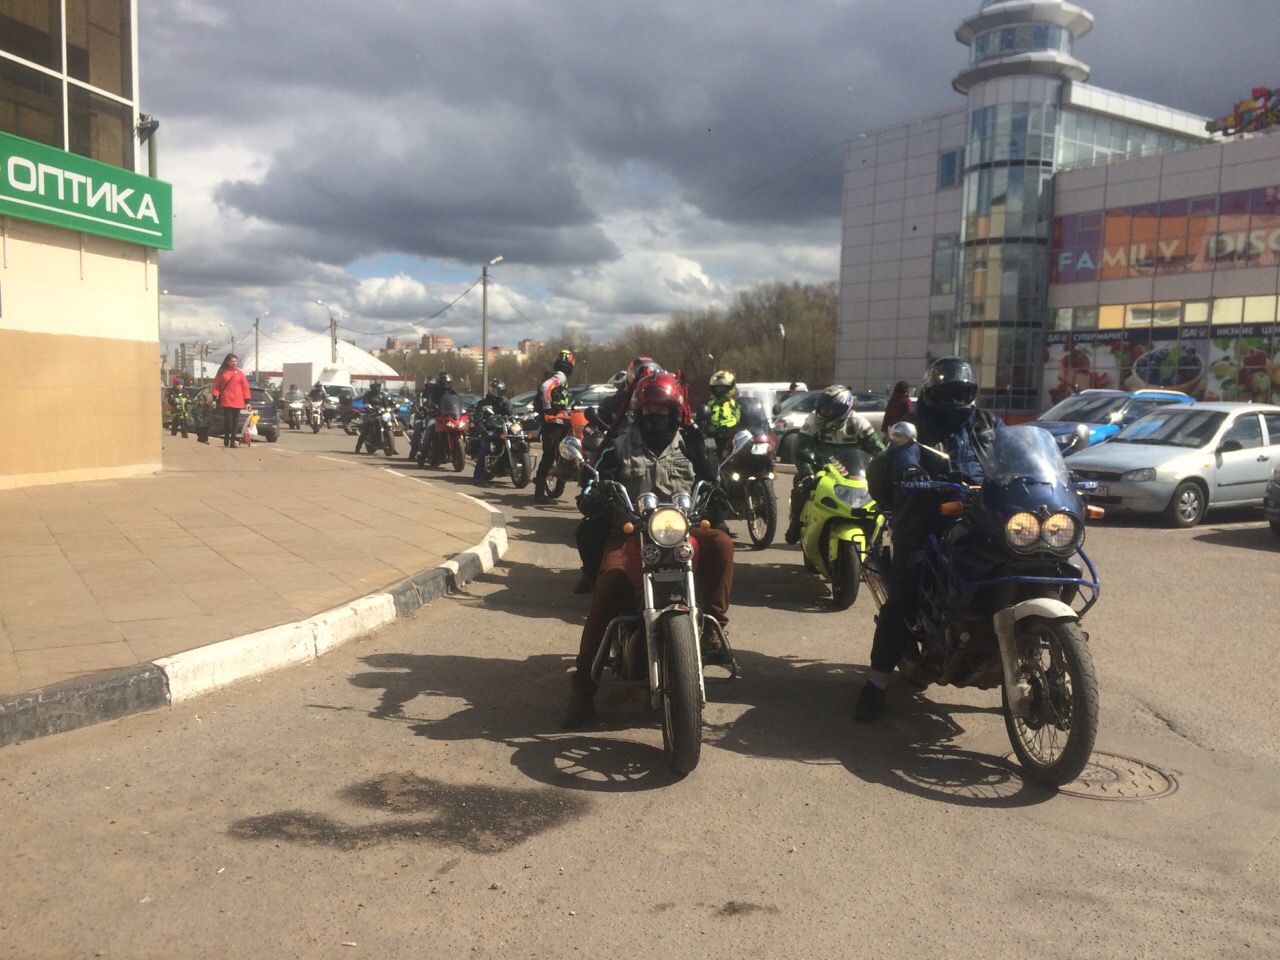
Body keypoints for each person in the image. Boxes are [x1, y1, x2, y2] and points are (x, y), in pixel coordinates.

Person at [561, 371, 733, 728]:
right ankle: (582, 692)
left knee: (721, 543)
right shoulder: (620, 445)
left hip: (683, 533)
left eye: (663, 409)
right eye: (649, 409)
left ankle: (714, 627)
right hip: (631, 536)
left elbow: (717, 487)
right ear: (639, 411)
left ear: (676, 413)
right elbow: (594, 477)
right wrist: (594, 492)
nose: (656, 415)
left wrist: (707, 463)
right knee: (608, 588)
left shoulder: (691, 443)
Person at [854, 357, 1005, 723]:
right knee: (908, 587)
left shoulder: (987, 423)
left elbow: (1014, 450)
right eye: (947, 393)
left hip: (984, 517)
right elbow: (902, 447)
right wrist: (908, 468)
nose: (955, 400)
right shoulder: (917, 424)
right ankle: (876, 682)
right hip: (929, 519)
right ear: (932, 394)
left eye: (962, 393)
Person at [784, 385, 886, 544]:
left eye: (828, 411)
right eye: (822, 409)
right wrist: (806, 472)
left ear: (843, 410)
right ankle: (796, 523)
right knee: (799, 484)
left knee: (880, 502)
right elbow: (800, 447)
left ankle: (877, 538)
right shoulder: (812, 421)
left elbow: (878, 450)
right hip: (821, 469)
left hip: (855, 471)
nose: (823, 414)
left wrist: (885, 469)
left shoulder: (859, 423)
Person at [533, 349, 576, 502]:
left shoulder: (558, 376)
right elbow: (546, 388)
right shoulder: (561, 376)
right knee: (549, 453)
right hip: (553, 421)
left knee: (562, 448)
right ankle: (539, 491)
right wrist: (548, 407)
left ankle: (563, 471)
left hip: (559, 420)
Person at [471, 378, 513, 484]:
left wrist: (506, 405)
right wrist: (484, 432)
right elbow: (478, 420)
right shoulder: (483, 404)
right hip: (489, 430)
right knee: (485, 447)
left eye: (501, 391)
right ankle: (478, 476)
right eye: (496, 391)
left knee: (518, 442)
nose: (499, 393)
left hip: (505, 430)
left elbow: (511, 416)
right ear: (491, 390)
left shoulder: (505, 403)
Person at [211, 354, 251, 448]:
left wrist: (247, 401)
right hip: (226, 399)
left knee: (235, 421)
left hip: (238, 400)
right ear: (228, 361)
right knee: (228, 421)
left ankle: (233, 441)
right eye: (232, 361)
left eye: (235, 361)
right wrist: (214, 399)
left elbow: (245, 387)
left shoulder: (240, 373)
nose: (234, 363)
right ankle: (226, 437)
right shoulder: (222, 372)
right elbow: (216, 385)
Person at [701, 370, 743, 456]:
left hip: (733, 437)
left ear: (729, 387)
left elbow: (748, 418)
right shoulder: (709, 403)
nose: (719, 390)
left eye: (722, 387)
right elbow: (701, 419)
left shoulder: (738, 403)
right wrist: (706, 427)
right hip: (713, 439)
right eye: (717, 388)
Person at [354, 379, 392, 454]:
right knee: (366, 429)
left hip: (381, 414)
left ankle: (392, 447)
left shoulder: (383, 395)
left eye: (378, 386)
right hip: (371, 414)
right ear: (371, 387)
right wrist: (370, 410)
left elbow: (386, 405)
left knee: (389, 425)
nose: (377, 388)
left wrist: (389, 409)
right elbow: (366, 405)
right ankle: (358, 447)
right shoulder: (368, 395)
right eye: (375, 386)